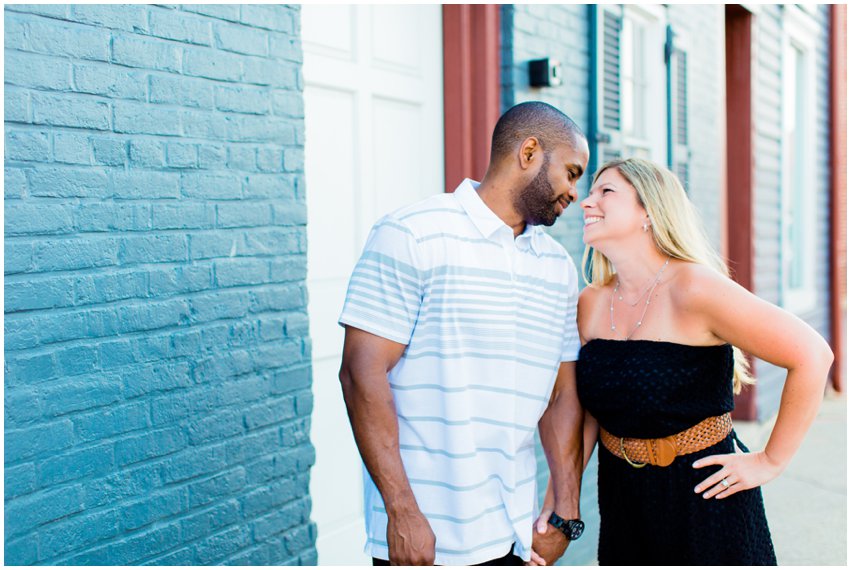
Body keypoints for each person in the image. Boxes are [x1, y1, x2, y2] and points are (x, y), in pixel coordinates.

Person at [530, 157, 834, 565]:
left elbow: (812, 355)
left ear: (649, 213)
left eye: (606, 192)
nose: (587, 203)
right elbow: (584, 417)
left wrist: (769, 460)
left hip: (706, 497)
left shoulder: (694, 287)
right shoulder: (590, 304)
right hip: (624, 500)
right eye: (590, 192)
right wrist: (559, 510)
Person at [337, 101, 590, 565]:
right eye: (571, 172)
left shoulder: (557, 267)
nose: (576, 192)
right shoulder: (412, 234)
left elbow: (562, 394)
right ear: (529, 152)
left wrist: (565, 513)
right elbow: (360, 374)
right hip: (426, 539)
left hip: (517, 534)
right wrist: (401, 512)